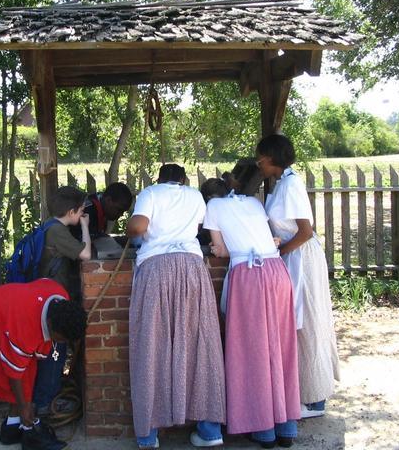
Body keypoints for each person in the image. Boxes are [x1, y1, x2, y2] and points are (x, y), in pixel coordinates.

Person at [126, 163, 226, 449]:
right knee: (201, 345)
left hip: (156, 269)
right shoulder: (194, 195)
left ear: (160, 179)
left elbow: (138, 227)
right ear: (183, 179)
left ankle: (148, 435)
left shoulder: (150, 193)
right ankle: (210, 431)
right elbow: (202, 227)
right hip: (192, 268)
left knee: (151, 346)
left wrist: (131, 230)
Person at [203, 177, 300, 448]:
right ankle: (287, 427)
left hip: (248, 275)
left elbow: (222, 250)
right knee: (281, 347)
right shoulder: (255, 203)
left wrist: (216, 249)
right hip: (277, 271)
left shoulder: (213, 207)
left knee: (251, 350)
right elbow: (268, 239)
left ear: (209, 197)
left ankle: (262, 428)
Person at [256, 134, 340, 419]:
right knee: (296, 322)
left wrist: (280, 252)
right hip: (292, 255)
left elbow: (304, 231)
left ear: (271, 158)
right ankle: (302, 392)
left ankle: (316, 398)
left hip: (302, 256)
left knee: (308, 322)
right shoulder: (281, 183)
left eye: (260, 158)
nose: (258, 163)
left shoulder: (292, 185)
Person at [0, 279, 88, 448]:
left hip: (13, 309)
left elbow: (44, 283)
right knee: (7, 372)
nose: (61, 342)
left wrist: (25, 402)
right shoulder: (25, 329)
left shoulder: (61, 298)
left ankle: (13, 427)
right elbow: (13, 372)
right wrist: (24, 405)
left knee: (29, 372)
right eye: (60, 338)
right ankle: (27, 428)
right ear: (50, 324)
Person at [34, 186, 91, 418]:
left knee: (52, 351)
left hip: (47, 296)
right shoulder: (57, 231)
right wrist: (85, 227)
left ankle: (46, 396)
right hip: (52, 300)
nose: (82, 214)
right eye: (81, 211)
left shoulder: (49, 225)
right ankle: (45, 403)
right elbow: (85, 254)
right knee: (55, 351)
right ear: (71, 212)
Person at [69, 182, 134, 240]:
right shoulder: (87, 211)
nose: (121, 214)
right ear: (108, 200)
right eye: (119, 210)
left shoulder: (102, 208)